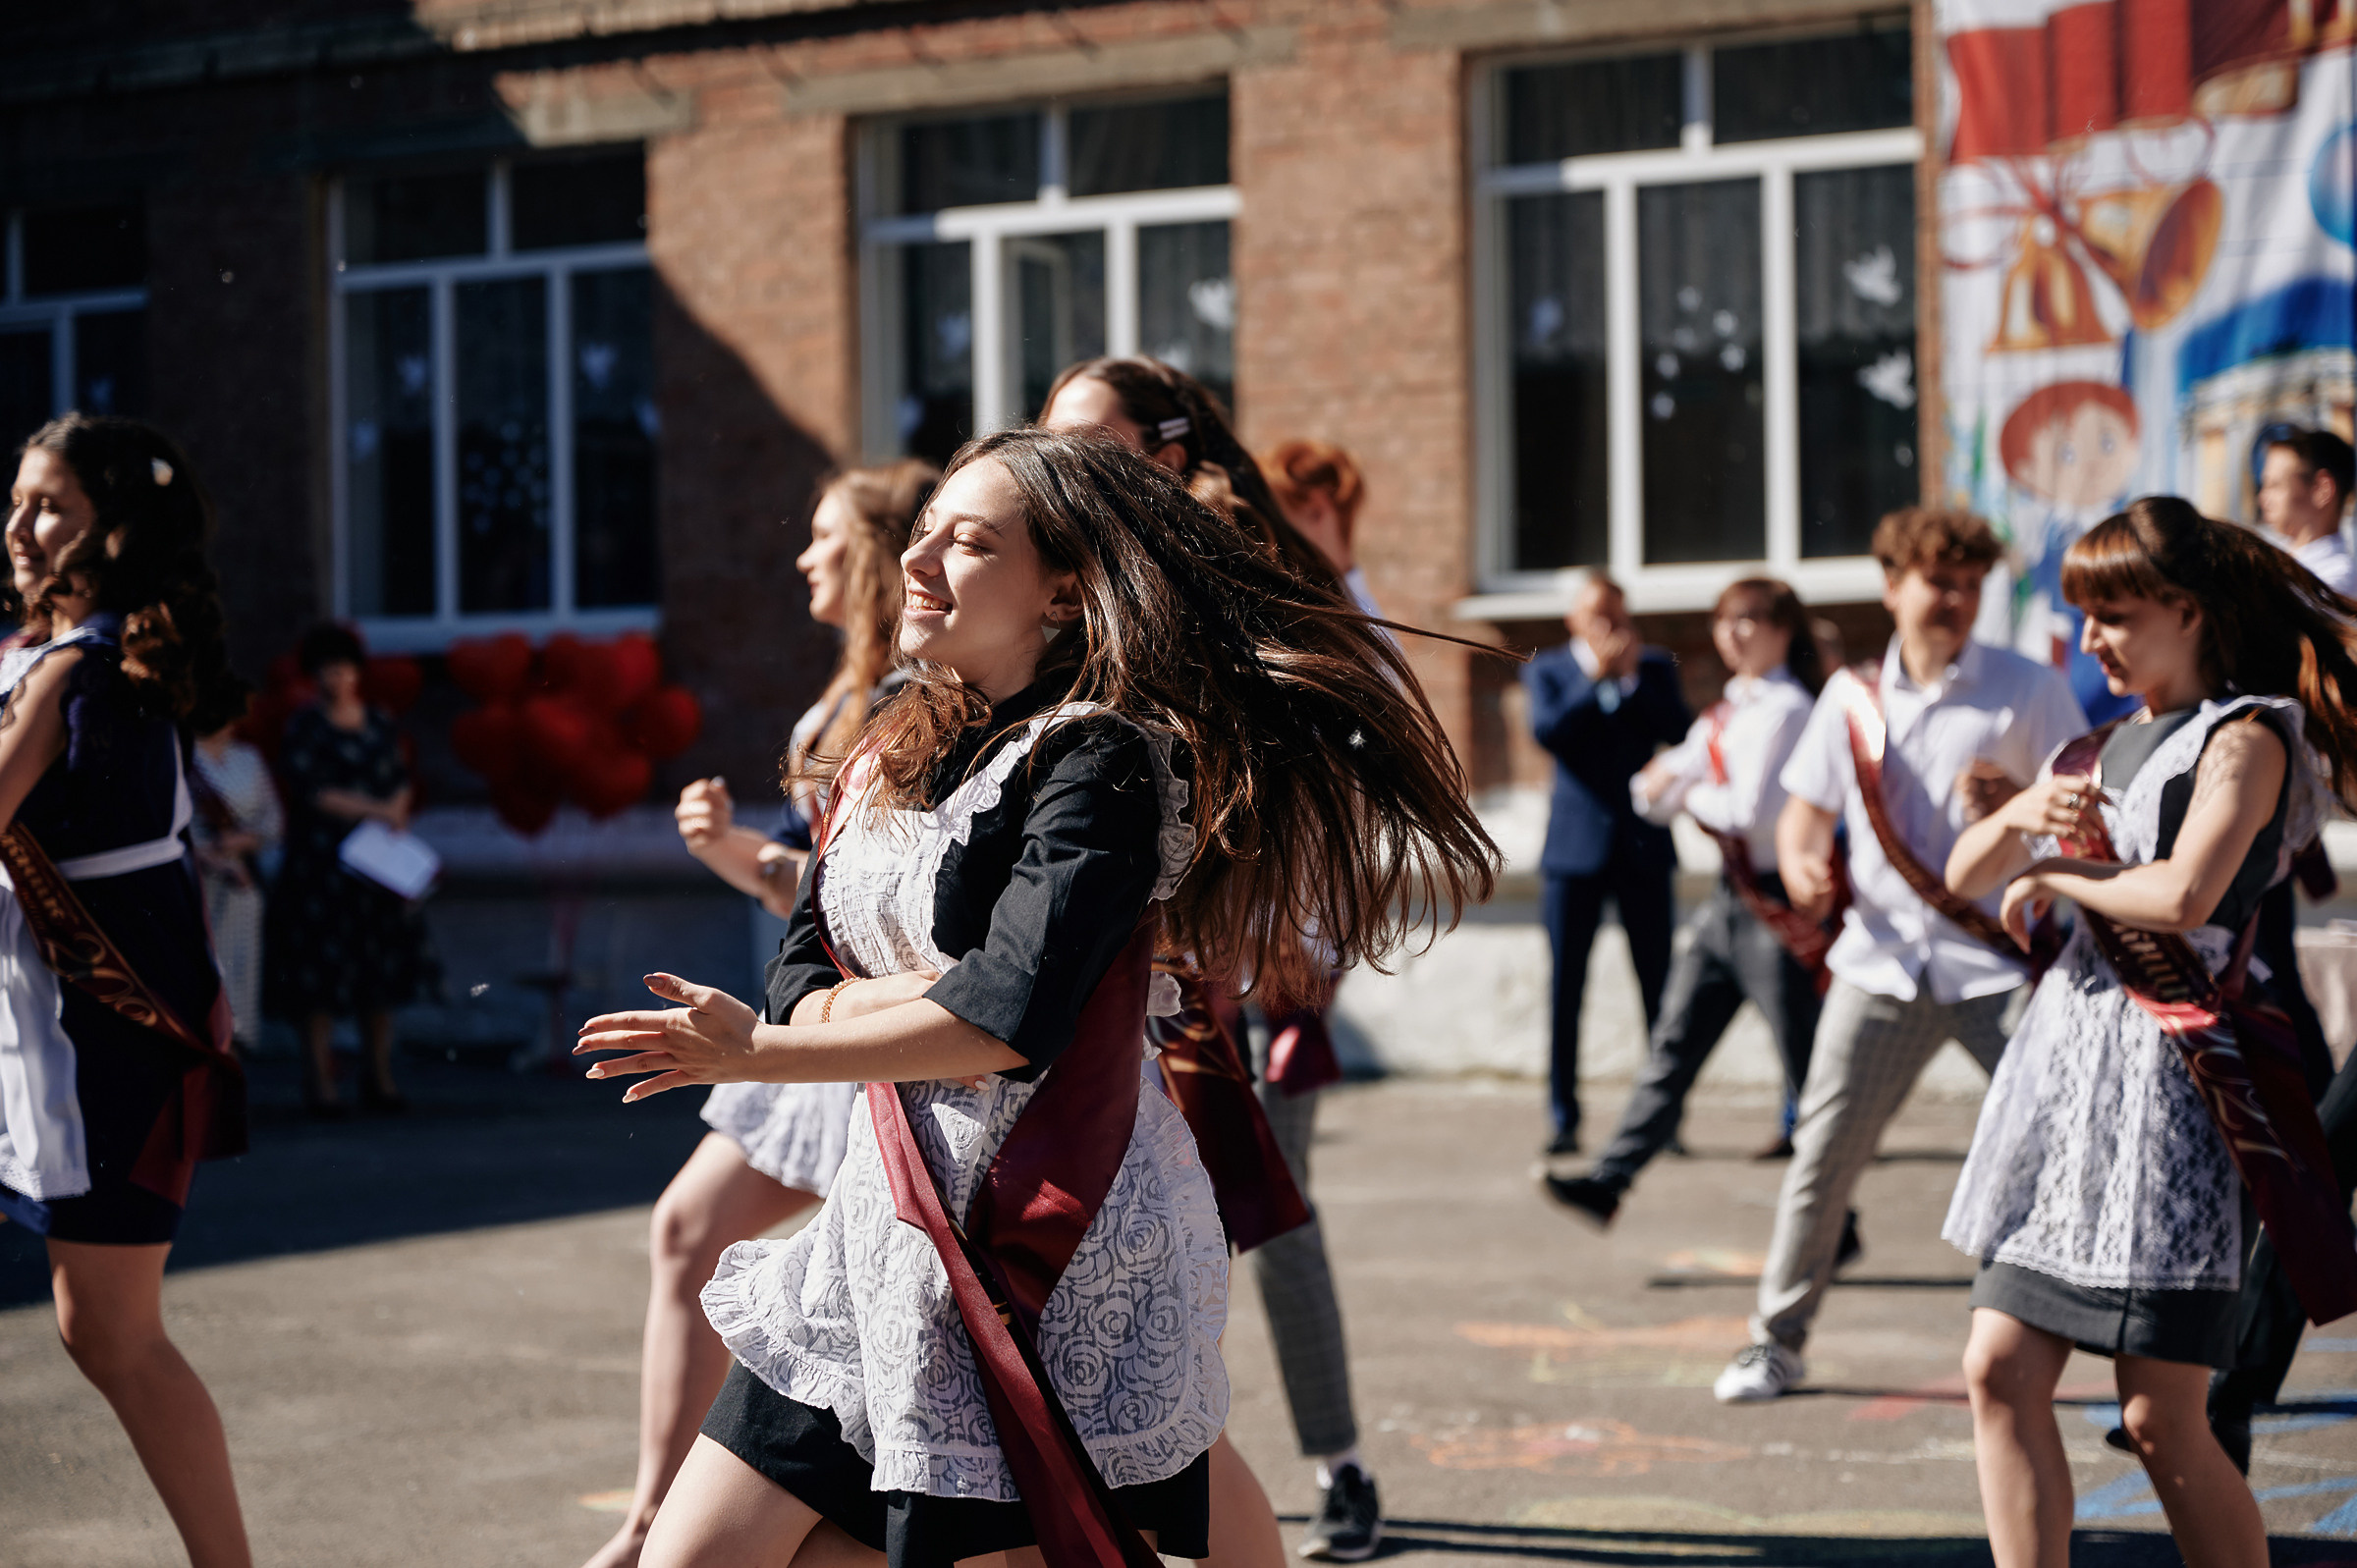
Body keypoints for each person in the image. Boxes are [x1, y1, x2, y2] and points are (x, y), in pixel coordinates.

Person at [576, 430, 1495, 1568]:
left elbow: (1003, 1025)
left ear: (1063, 591)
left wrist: (771, 1048)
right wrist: (895, 1004)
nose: (917, 563)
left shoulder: (1103, 758)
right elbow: (810, 962)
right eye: (922, 535)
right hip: (885, 1227)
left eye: (969, 543)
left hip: (1055, 1233)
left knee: (1107, 1528)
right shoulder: (888, 746)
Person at [1942, 495, 2357, 1568]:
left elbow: (2184, 894)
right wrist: (2015, 819)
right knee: (1998, 1368)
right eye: (2086, 615)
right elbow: (1963, 876)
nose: (2091, 642)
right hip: (2065, 1086)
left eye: (2114, 615)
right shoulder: (2096, 747)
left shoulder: (2253, 737)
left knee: (2164, 1417)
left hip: (2174, 1087)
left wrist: (2058, 870)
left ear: (2190, 609)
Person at [1042, 363, 1380, 1562]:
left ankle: (1337, 1464)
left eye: (1090, 438)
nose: (1060, 454)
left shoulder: (1243, 577)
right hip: (1116, 974)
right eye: (1048, 433)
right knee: (1110, 1240)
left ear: (1169, 453)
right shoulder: (1059, 578)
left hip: (1238, 978)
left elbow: (1343, 743)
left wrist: (1296, 929)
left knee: (1266, 1221)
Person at [583, 460, 937, 1568]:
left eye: (824, 536)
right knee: (692, 1234)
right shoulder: (854, 683)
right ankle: (655, 1516)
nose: (803, 556)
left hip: (863, 1038)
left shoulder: (918, 693)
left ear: (872, 553)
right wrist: (733, 853)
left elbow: (887, 902)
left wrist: (757, 864)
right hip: (805, 1014)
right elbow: (826, 886)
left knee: (904, 1320)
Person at [1711, 507, 2086, 1404]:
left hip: (1996, 961)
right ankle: (1777, 1339)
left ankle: (2102, 1335)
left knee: (2067, 1142)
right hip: (1878, 963)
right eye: (1936, 581)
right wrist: (1803, 856)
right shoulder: (1849, 698)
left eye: (1968, 583)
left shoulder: (2027, 689)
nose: (1953, 598)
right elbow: (1805, 809)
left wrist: (2023, 800)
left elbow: (2090, 817)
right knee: (1824, 1154)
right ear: (1893, 587)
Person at [0, 413, 252, 1567]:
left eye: (48, 504)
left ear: (114, 526)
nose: (19, 525)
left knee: (111, 1328)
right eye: (18, 500)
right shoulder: (73, 659)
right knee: (100, 1326)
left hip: (102, 1041)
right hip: (80, 1027)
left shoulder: (77, 671)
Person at [1544, 578, 1828, 1225]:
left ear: (1783, 629)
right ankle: (1610, 1180)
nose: (1734, 633)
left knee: (1806, 1065)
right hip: (1728, 899)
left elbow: (1748, 811)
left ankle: (1834, 1221)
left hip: (1774, 903)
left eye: (1751, 620)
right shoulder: (1729, 709)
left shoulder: (1788, 708)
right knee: (1673, 1041)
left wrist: (1687, 793)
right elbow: (1648, 792)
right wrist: (1680, 788)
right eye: (1726, 621)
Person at [1522, 571, 1692, 1160]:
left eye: (1616, 615)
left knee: (1660, 988)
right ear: (1573, 619)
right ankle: (1564, 1116)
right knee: (1567, 988)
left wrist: (1630, 679)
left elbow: (1680, 731)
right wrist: (1595, 676)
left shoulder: (1651, 668)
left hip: (1641, 849)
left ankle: (1663, 1120)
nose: (1608, 627)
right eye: (1596, 615)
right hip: (1574, 853)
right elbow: (1549, 732)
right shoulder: (1548, 670)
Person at [263, 621, 434, 1115]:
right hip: (321, 872)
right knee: (318, 982)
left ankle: (379, 1077)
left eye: (342, 669)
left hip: (377, 874)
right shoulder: (305, 726)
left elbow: (401, 775)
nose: (335, 679)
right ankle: (321, 1083)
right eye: (325, 671)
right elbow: (312, 790)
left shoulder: (379, 722)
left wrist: (398, 806)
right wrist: (377, 809)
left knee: (378, 978)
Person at [190, 679, 282, 1054]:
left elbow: (272, 821)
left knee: (239, 975)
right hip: (197, 883)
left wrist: (238, 843)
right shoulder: (182, 758)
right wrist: (210, 853)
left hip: (242, 880)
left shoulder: (248, 758)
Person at [2256, 426, 2356, 597]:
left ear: (2322, 489)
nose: (2263, 498)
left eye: (2275, 485)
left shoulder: (2337, 582)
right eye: (2264, 485)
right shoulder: (2279, 564)